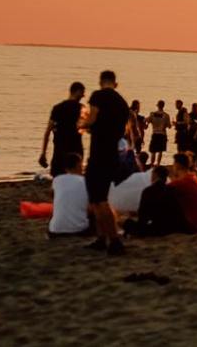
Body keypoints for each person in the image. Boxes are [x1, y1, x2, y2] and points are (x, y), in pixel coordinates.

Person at [81, 70, 130, 255]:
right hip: (112, 155)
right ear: (115, 84)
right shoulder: (122, 103)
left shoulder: (98, 96)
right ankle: (101, 238)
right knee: (99, 198)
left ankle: (114, 241)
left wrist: (82, 124)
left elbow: (92, 119)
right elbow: (120, 130)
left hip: (99, 154)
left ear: (101, 82)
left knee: (99, 200)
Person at [39, 82, 85, 177]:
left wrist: (43, 153)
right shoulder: (82, 109)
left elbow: (48, 131)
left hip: (59, 150)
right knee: (76, 179)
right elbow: (86, 128)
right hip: (75, 151)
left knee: (58, 179)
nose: (83, 96)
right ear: (77, 91)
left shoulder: (57, 108)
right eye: (82, 93)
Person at [168, 153, 197, 234]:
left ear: (177, 165)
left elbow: (163, 190)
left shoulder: (183, 182)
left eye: (173, 164)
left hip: (194, 227)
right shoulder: (195, 179)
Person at [49, 153, 90, 237]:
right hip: (79, 229)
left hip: (55, 230)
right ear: (78, 165)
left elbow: (53, 196)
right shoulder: (85, 181)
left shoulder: (56, 179)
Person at [146, 100, 171, 166]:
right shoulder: (166, 115)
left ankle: (152, 163)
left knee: (153, 150)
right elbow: (169, 126)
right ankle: (158, 164)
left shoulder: (152, 114)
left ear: (157, 105)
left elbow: (146, 121)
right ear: (163, 106)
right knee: (160, 150)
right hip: (162, 134)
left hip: (155, 133)